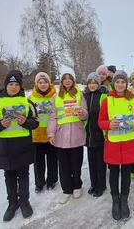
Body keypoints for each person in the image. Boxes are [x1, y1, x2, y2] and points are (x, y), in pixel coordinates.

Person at [0, 70, 39, 222]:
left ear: (20, 86)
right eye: (11, 84)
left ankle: (24, 202)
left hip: (23, 146)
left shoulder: (27, 103)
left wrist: (25, 122)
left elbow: (36, 122)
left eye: (16, 84)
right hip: (5, 148)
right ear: (6, 85)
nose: (13, 87)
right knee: (9, 176)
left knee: (23, 176)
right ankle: (12, 204)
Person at [98, 70, 134, 221]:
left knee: (126, 173)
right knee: (114, 173)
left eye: (123, 82)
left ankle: (124, 200)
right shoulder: (107, 101)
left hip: (129, 142)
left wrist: (133, 124)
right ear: (113, 83)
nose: (120, 84)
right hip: (113, 143)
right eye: (117, 82)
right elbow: (101, 121)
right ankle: (115, 200)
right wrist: (109, 124)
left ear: (126, 83)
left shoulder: (133, 100)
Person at [47, 73, 88, 204]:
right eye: (65, 79)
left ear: (73, 81)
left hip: (76, 134)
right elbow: (53, 116)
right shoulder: (56, 97)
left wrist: (82, 112)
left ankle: (77, 185)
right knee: (63, 165)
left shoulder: (79, 95)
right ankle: (66, 189)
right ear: (62, 82)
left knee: (76, 163)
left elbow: (85, 114)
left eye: (70, 79)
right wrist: (51, 133)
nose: (68, 81)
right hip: (61, 136)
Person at [28, 72, 58, 193]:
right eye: (40, 82)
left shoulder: (56, 96)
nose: (43, 84)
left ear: (49, 83)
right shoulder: (30, 98)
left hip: (52, 134)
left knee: (52, 160)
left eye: (45, 82)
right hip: (37, 135)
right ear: (36, 84)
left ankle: (52, 181)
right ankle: (39, 183)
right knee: (38, 162)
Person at [83, 72, 108, 197]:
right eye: (90, 83)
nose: (92, 85)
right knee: (91, 161)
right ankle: (93, 184)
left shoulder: (104, 96)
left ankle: (101, 185)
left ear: (99, 84)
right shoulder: (84, 97)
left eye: (95, 83)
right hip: (89, 134)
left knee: (100, 162)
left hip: (100, 134)